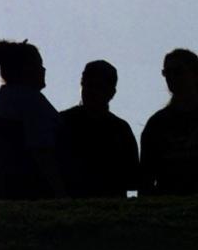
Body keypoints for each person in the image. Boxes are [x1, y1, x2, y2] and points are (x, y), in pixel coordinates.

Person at [139, 49, 198, 195]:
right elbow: (146, 177)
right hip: (171, 210)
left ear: (196, 75)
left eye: (178, 71)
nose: (171, 77)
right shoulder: (157, 124)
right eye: (167, 73)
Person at [0, 39, 65, 199]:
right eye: (39, 65)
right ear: (26, 69)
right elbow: (42, 150)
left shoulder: (6, 100)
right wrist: (60, 193)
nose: (43, 70)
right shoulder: (30, 101)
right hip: (25, 192)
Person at [59, 60, 140, 197]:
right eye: (89, 85)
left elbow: (133, 178)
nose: (91, 92)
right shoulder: (120, 129)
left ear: (111, 92)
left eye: (98, 87)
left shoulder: (62, 121)